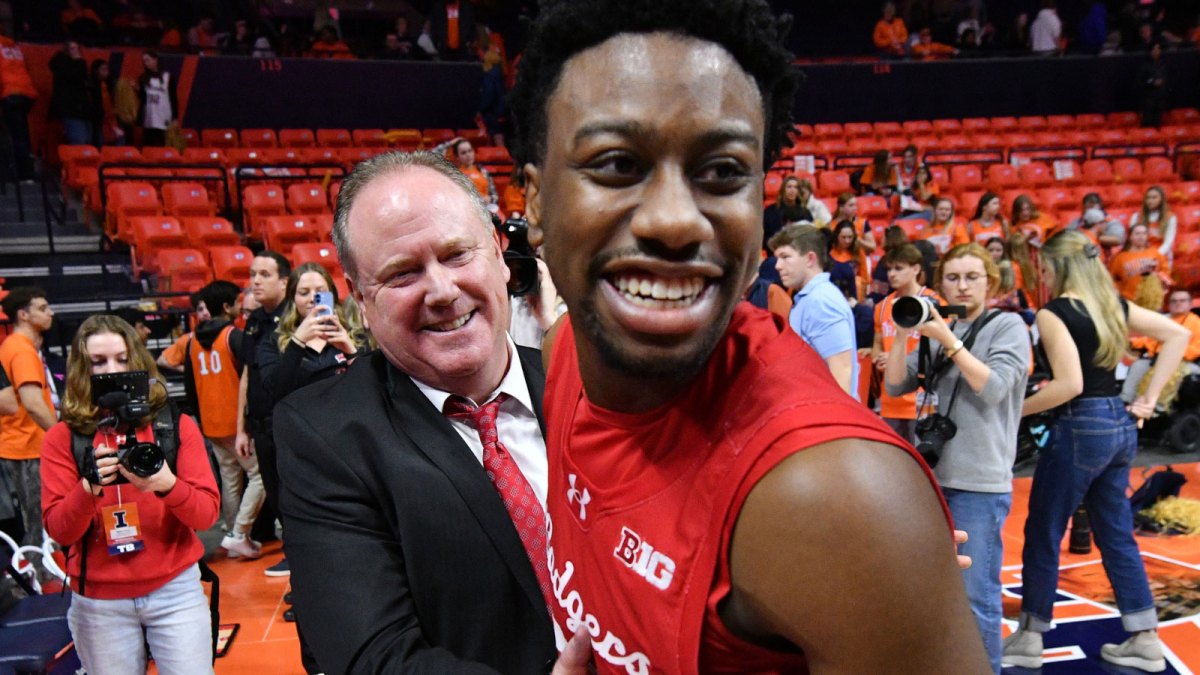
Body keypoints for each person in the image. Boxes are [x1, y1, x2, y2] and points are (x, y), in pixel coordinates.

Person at [513, 1, 988, 670]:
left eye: (723, 172)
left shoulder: (836, 502)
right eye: (617, 164)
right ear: (535, 204)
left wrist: (883, 552)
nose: (675, 221)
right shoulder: (564, 352)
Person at [274, 151, 557, 672]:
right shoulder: (325, 436)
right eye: (403, 274)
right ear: (361, 299)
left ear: (498, 253)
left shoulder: (584, 385)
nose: (443, 291)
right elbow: (374, 659)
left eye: (456, 255)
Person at [1005, 230, 1190, 671]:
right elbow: (1176, 337)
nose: (1043, 274)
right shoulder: (1112, 306)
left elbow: (1070, 385)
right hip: (1120, 425)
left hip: (1080, 426)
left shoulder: (1054, 313)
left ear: (1058, 267)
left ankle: (1031, 637)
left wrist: (1013, 411)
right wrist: (1150, 399)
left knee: (1045, 530)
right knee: (1115, 534)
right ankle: (1144, 637)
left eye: (1046, 267)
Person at [40, 314, 219, 674]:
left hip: (175, 591)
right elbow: (60, 531)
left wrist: (167, 485)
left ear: (138, 361)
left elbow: (206, 515)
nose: (113, 371)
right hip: (99, 603)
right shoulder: (63, 438)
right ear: (81, 370)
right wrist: (87, 489)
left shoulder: (173, 426)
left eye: (122, 360)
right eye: (99, 362)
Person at [885, 243, 1030, 673]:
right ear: (940, 282)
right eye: (953, 277)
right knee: (931, 590)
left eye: (972, 277)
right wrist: (902, 330)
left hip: (978, 481)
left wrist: (946, 339)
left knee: (975, 596)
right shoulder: (938, 326)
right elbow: (894, 386)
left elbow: (995, 387)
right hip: (931, 478)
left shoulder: (1007, 326)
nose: (962, 286)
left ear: (991, 281)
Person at [162, 281, 263, 560]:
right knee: (259, 476)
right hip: (234, 422)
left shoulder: (192, 340)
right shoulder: (233, 336)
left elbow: (189, 384)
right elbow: (248, 380)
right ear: (228, 307)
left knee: (230, 481)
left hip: (209, 422)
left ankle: (233, 534)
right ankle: (239, 532)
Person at [234, 251, 289, 576]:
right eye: (253, 273)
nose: (255, 280)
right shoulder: (253, 322)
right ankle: (291, 551)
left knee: (293, 492)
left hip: (286, 423)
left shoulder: (295, 317)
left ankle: (300, 555)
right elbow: (247, 375)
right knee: (274, 491)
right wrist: (241, 427)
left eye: (264, 274)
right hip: (259, 423)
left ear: (284, 281)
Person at [257, 262, 368, 406]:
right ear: (293, 300)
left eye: (320, 292)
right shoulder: (273, 341)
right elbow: (275, 392)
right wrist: (297, 342)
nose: (312, 298)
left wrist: (350, 351)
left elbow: (370, 387)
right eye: (304, 293)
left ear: (332, 296)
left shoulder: (354, 334)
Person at [771, 224, 860, 398]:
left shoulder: (821, 301)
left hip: (828, 416)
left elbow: (841, 370)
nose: (777, 266)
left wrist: (831, 422)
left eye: (785, 257)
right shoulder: (809, 298)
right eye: (777, 258)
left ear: (810, 259)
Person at [0, 288, 57, 549]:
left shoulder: (14, 346)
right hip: (26, 447)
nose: (50, 313)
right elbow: (33, 404)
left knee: (33, 520)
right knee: (36, 522)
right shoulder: (21, 350)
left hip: (22, 445)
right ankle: (39, 579)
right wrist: (62, 437)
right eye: (43, 308)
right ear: (23, 315)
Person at [873, 244, 941, 443]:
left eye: (898, 268)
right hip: (890, 400)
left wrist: (898, 359)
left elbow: (941, 349)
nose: (892, 274)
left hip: (921, 400)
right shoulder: (882, 305)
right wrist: (877, 355)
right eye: (889, 269)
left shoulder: (934, 303)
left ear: (916, 269)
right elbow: (878, 340)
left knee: (923, 466)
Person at [1123, 288, 1200, 404]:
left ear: (1190, 304)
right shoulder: (1163, 319)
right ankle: (1126, 399)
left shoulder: (1196, 322)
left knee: (1185, 374)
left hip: (1183, 362)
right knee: (1138, 366)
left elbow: (1196, 349)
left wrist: (1171, 352)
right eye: (1174, 301)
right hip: (1154, 360)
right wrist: (1131, 341)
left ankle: (1161, 406)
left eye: (1182, 301)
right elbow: (1148, 340)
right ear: (1169, 304)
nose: (1178, 303)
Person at [0, 25, 37, 180]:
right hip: (26, 93)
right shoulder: (15, 47)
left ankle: (21, 175)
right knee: (22, 134)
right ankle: (27, 173)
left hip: (10, 93)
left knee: (15, 136)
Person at [1109, 222, 1170, 302]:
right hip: (1129, 300)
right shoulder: (1120, 257)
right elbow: (1111, 278)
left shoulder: (1155, 253)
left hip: (1152, 300)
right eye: (1137, 233)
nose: (1141, 236)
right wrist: (1119, 293)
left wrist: (1158, 276)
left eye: (1144, 233)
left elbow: (1166, 273)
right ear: (1130, 237)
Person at [49, 40, 92, 146]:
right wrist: (80, 61)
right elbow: (76, 77)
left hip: (79, 109)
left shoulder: (66, 65)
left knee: (85, 141)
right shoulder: (65, 64)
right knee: (79, 142)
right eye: (72, 48)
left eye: (77, 49)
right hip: (72, 109)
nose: (75, 52)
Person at [436, 136, 499, 206]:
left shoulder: (483, 172)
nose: (468, 155)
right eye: (463, 153)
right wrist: (450, 143)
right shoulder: (454, 174)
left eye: (470, 151)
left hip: (486, 209)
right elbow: (432, 155)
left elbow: (495, 196)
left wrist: (490, 199)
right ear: (457, 156)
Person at [137, 51, 177, 148]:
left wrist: (175, 118)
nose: (146, 63)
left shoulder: (168, 76)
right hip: (149, 119)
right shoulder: (142, 78)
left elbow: (173, 98)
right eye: (144, 61)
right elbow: (142, 99)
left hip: (164, 118)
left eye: (148, 60)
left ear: (155, 60)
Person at [762, 174, 813, 244]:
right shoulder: (770, 212)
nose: (792, 190)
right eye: (789, 187)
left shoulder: (805, 212)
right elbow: (764, 238)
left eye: (796, 187)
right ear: (783, 190)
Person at [1129, 185, 1177, 259]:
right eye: (1148, 198)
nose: (1150, 200)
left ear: (1162, 200)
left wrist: (1155, 256)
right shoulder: (1136, 216)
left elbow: (1168, 242)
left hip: (1162, 254)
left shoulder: (1170, 218)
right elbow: (1132, 239)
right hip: (1141, 254)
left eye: (1154, 197)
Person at [829, 218, 870, 300]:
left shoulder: (858, 252)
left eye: (850, 237)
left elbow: (865, 278)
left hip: (854, 293)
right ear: (837, 236)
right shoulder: (830, 252)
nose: (847, 241)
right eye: (843, 237)